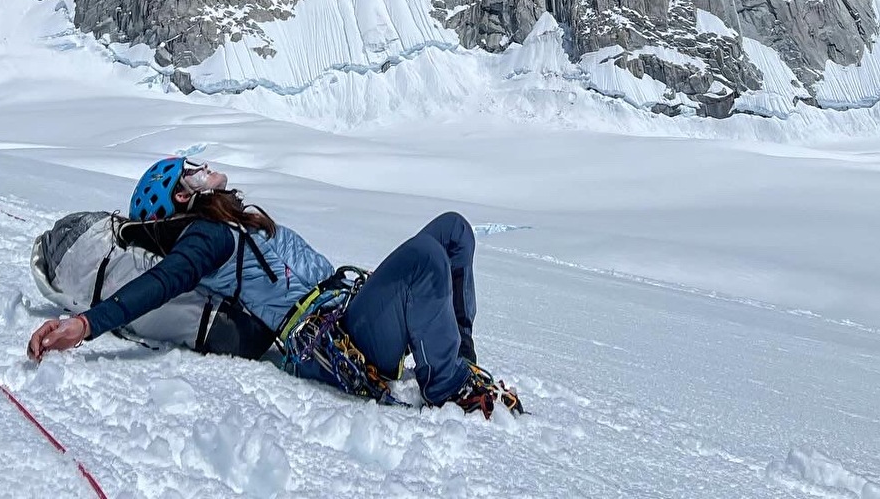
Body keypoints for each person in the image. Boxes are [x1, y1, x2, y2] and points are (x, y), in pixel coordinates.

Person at [26, 157, 523, 417]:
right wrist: (87, 324)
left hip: (344, 308)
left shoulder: (231, 222)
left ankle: (463, 362)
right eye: (191, 171)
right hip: (331, 342)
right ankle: (450, 387)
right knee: (426, 258)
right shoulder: (206, 237)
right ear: (181, 195)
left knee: (453, 230)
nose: (205, 169)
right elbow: (160, 283)